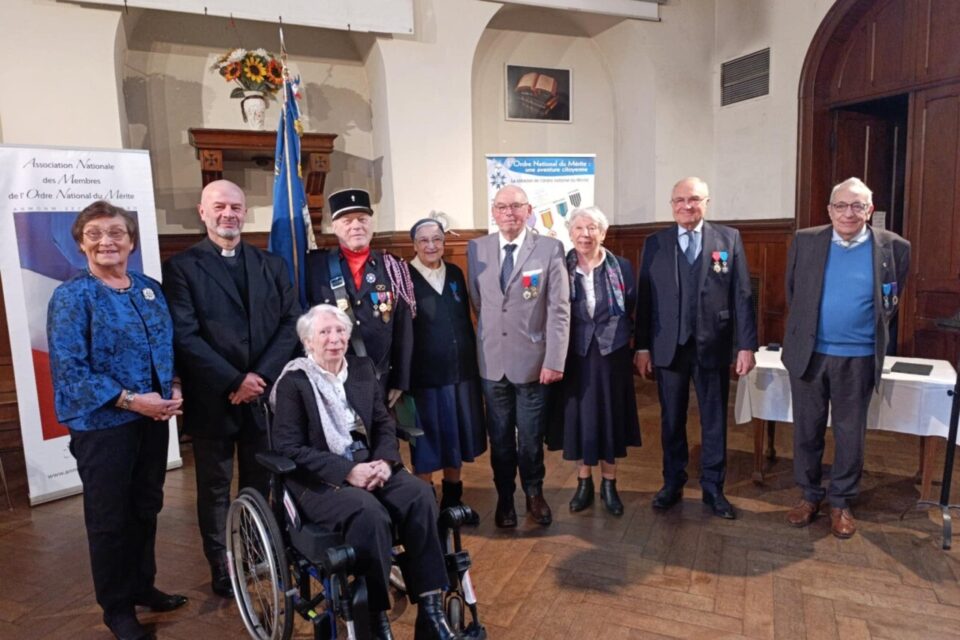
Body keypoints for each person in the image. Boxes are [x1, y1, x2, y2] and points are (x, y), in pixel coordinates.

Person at [271, 304, 459, 640]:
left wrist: (385, 462)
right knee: (369, 513)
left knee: (420, 495)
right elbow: (289, 448)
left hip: (370, 461)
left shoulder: (360, 368)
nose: (334, 339)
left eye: (340, 331)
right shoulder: (294, 383)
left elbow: (383, 422)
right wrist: (348, 471)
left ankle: (430, 614)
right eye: (324, 333)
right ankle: (376, 621)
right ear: (308, 342)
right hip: (319, 478)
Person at [48, 201, 187, 640]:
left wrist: (175, 386)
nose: (106, 241)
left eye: (116, 233)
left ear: (131, 241)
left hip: (152, 421)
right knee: (110, 519)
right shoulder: (72, 296)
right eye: (95, 234)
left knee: (146, 508)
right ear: (80, 243)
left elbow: (166, 347)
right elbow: (70, 369)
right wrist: (132, 402)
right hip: (103, 427)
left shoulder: (148, 287)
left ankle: (142, 585)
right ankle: (116, 608)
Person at [162, 180, 300, 598]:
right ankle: (223, 564)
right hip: (213, 398)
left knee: (260, 481)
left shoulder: (272, 264)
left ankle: (256, 551)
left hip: (263, 396)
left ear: (245, 212)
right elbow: (185, 336)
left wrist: (257, 378)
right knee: (215, 489)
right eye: (219, 206)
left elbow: (291, 321)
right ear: (202, 212)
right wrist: (234, 380)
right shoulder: (182, 267)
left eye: (236, 207)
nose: (229, 214)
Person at [781, 177, 911, 539]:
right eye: (841, 205)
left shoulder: (895, 247)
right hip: (810, 354)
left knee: (850, 434)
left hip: (859, 357)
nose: (848, 213)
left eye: (857, 206)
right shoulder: (806, 240)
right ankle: (809, 496)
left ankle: (841, 501)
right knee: (807, 430)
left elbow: (892, 300)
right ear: (829, 210)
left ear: (870, 210)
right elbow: (794, 292)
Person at [634, 177, 758, 520]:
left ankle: (713, 487)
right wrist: (641, 346)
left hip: (713, 345)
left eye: (694, 200)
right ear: (671, 204)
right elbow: (646, 299)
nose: (686, 206)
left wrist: (745, 345)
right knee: (671, 419)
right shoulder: (655, 243)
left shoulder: (727, 238)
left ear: (707, 202)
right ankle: (672, 482)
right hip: (667, 346)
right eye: (679, 200)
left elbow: (742, 294)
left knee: (714, 419)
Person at [467, 185, 570, 528]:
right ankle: (505, 498)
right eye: (501, 207)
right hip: (492, 363)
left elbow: (559, 309)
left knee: (529, 439)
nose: (508, 212)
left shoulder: (549, 248)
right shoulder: (476, 248)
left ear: (529, 211)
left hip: (534, 364)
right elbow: (479, 303)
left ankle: (534, 493)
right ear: (493, 212)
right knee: (499, 439)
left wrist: (554, 359)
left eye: (516, 206)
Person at [549, 207, 641, 516]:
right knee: (580, 419)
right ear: (570, 233)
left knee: (610, 418)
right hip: (575, 355)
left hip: (611, 355)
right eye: (578, 228)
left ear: (602, 233)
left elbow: (632, 307)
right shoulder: (560, 267)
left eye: (592, 228)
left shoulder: (622, 267)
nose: (585, 234)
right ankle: (584, 483)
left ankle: (610, 485)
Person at [407, 218, 486, 523]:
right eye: (424, 240)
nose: (431, 246)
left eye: (437, 239)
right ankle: (426, 507)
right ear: (414, 244)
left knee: (457, 439)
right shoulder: (405, 277)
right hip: (423, 378)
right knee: (426, 445)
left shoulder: (454, 273)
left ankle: (453, 501)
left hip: (460, 373)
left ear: (444, 242)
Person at [305, 188, 415, 406]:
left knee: (380, 438)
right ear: (334, 227)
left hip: (379, 379)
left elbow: (403, 328)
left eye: (362, 219)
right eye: (347, 220)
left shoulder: (393, 267)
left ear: (371, 224)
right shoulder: (315, 267)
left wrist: (400, 380)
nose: (356, 226)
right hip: (329, 379)